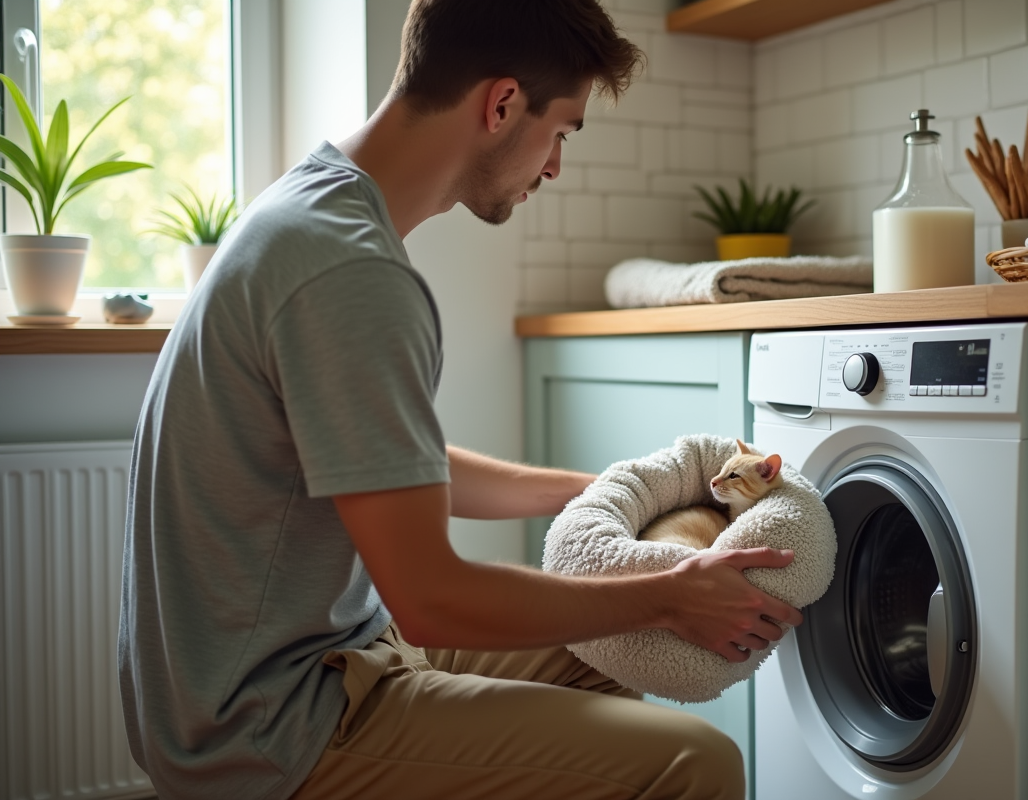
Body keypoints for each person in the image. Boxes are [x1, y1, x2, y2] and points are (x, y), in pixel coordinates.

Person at [117, 1, 805, 798]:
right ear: (502, 104)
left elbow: (390, 463)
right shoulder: (352, 273)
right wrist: (671, 597)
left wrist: (603, 491)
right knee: (697, 761)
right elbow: (435, 597)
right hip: (266, 720)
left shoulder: (311, 206)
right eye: (563, 131)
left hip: (311, 657)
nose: (554, 167)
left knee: (603, 657)